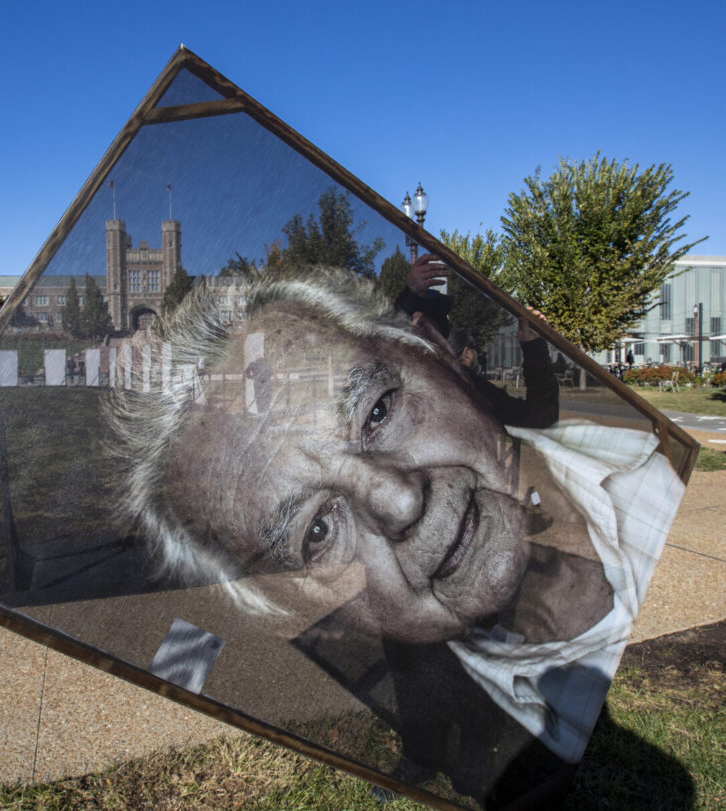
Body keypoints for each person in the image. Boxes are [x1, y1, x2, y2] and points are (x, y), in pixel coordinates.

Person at [106, 269, 683, 800]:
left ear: (435, 353)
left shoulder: (659, 482)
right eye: (318, 531)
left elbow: (538, 406)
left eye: (377, 411)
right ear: (303, 611)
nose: (400, 501)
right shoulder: (479, 696)